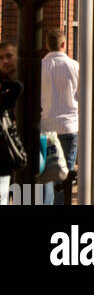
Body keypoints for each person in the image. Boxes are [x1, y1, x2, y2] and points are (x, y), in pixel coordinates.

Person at [40, 28, 79, 205]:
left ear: (47, 45)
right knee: (64, 177)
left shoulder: (39, 66)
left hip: (45, 128)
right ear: (64, 44)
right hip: (69, 126)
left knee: (47, 174)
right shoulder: (74, 66)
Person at [0, 40, 22, 206]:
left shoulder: (27, 79)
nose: (5, 61)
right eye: (1, 58)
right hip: (5, 156)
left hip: (24, 152)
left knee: (28, 196)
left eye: (9, 56)